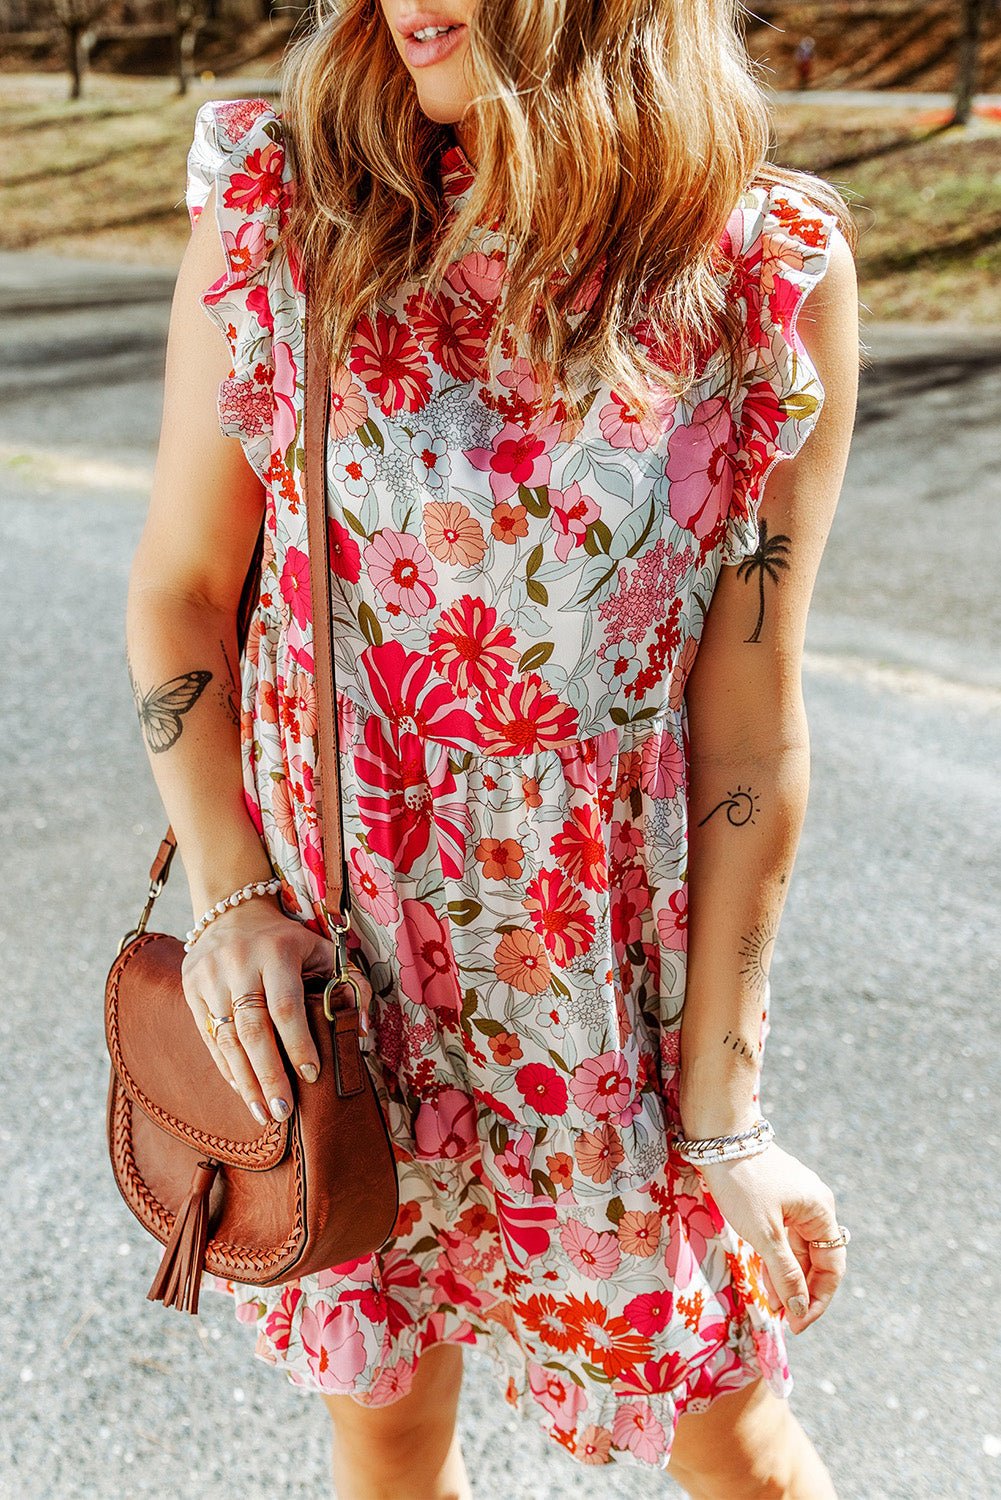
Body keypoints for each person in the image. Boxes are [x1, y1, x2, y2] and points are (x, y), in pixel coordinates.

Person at [125, 1, 860, 1494]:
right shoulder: (289, 213)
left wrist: (723, 1119)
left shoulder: (755, 275)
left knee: (735, 1445)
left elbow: (746, 728)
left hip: (613, 1015)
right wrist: (230, 896)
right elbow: (187, 593)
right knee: (389, 1433)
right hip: (347, 984)